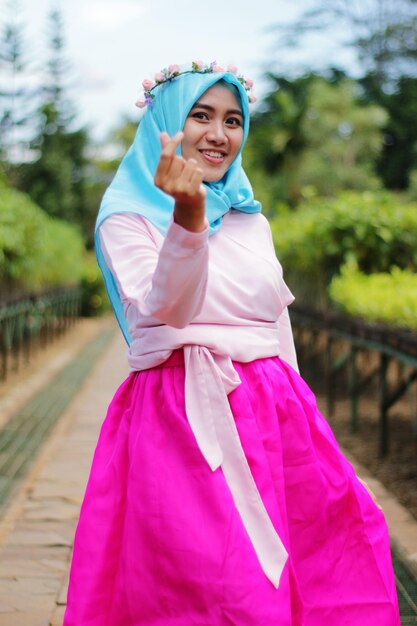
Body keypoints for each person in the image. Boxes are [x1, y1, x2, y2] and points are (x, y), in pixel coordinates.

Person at [63, 62, 400, 625]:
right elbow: (169, 307)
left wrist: (309, 421)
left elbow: (274, 322)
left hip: (275, 411)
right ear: (167, 122)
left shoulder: (250, 220)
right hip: (182, 415)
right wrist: (187, 216)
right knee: (211, 581)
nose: (218, 134)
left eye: (233, 120)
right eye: (200, 116)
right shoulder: (126, 218)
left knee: (332, 548)